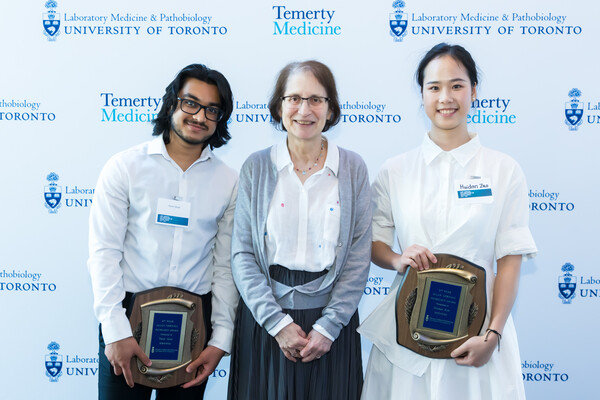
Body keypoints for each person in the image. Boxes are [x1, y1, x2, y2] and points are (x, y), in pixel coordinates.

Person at [358, 43, 537, 400]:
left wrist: (493, 336)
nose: (446, 98)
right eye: (434, 87)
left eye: (457, 85)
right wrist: (398, 259)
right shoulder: (396, 170)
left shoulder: (504, 170)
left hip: (479, 332)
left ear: (474, 91)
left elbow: (509, 261)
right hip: (407, 329)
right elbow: (375, 244)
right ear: (422, 94)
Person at [87, 63, 239, 400]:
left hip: (195, 323)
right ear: (172, 103)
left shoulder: (229, 181)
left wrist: (220, 338)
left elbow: (225, 266)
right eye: (191, 103)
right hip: (127, 319)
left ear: (220, 119)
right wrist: (114, 331)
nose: (199, 116)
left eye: (212, 110)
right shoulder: (125, 167)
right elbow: (104, 254)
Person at [227, 60, 371, 400]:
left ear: (331, 109)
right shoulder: (257, 166)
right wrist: (277, 323)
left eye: (316, 99)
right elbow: (243, 253)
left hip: (331, 325)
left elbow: (357, 256)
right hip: (266, 322)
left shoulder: (353, 168)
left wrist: (329, 326)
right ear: (279, 107)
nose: (304, 110)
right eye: (293, 98)